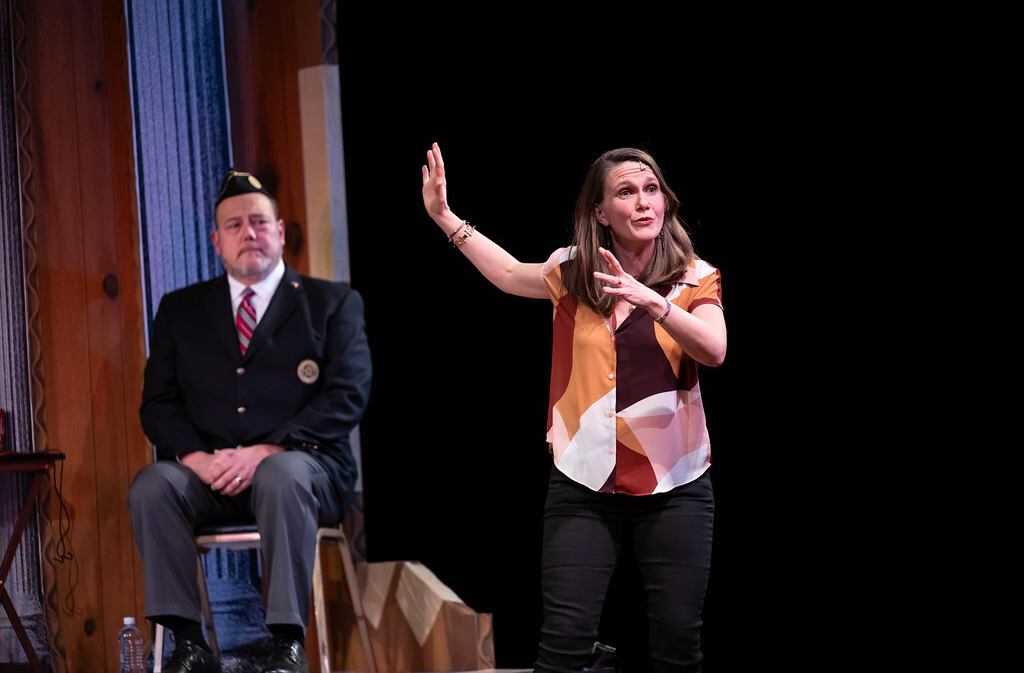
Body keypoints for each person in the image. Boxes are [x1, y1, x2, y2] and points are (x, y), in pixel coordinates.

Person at [420, 143, 726, 672]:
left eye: (651, 190)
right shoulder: (574, 271)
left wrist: (656, 303)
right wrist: (446, 217)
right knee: (562, 646)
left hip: (675, 482)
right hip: (583, 479)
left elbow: (714, 350)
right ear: (601, 213)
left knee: (678, 645)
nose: (643, 202)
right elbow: (511, 274)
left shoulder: (694, 277)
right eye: (626, 192)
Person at [127, 169, 372, 673]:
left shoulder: (332, 304)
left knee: (281, 475)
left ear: (280, 231)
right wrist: (196, 458)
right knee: (153, 485)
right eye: (234, 225)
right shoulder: (180, 311)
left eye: (259, 222)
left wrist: (269, 450)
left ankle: (286, 642)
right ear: (217, 241)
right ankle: (189, 645)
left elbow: (348, 394)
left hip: (305, 470)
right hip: (211, 475)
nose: (249, 233)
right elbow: (158, 404)